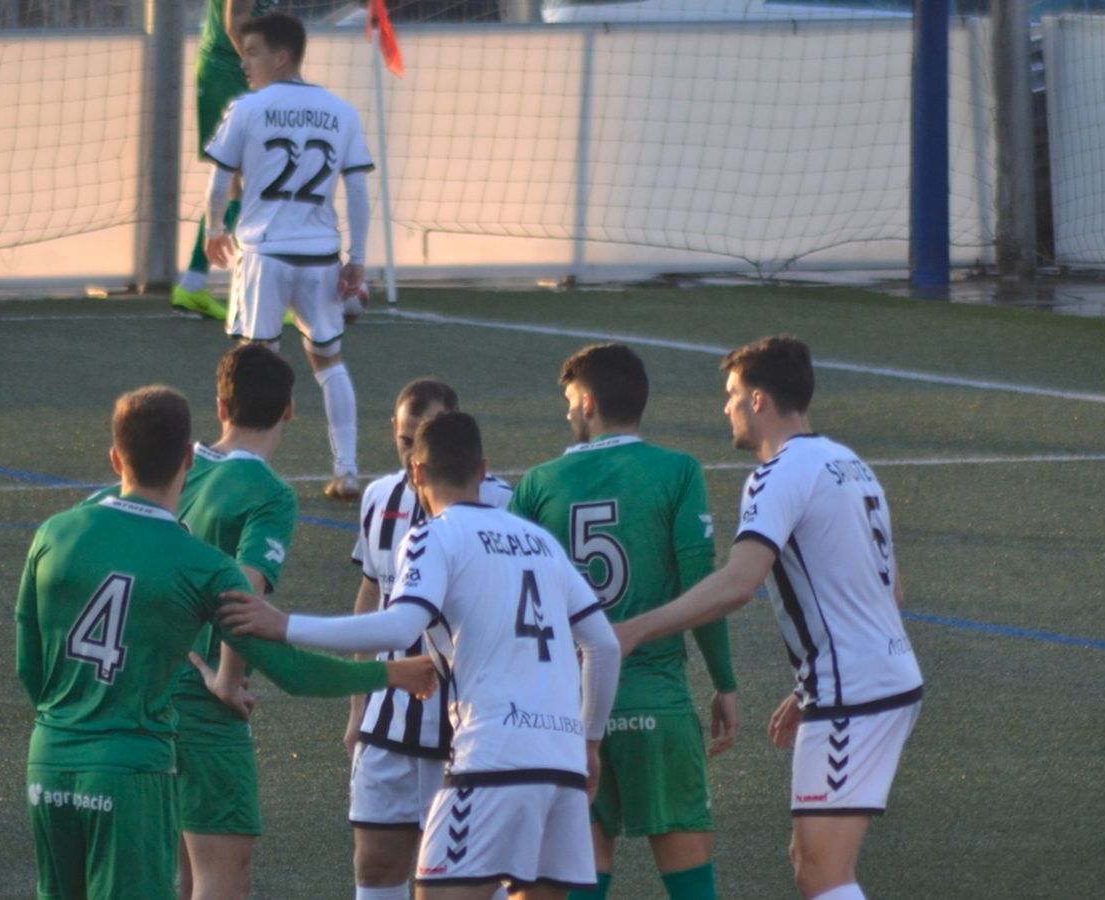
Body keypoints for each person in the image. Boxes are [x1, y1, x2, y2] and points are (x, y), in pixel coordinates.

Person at [17, 385, 435, 900]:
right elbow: (293, 672)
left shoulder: (53, 534)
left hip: (49, 759)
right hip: (130, 770)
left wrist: (64, 724)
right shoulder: (204, 567)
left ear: (114, 457)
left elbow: (29, 665)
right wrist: (389, 672)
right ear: (188, 462)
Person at [223, 411, 622, 900]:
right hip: (562, 762)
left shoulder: (435, 535)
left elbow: (400, 624)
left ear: (415, 472)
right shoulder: (540, 541)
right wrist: (590, 742)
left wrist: (285, 625)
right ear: (483, 469)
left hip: (493, 756)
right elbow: (603, 645)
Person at [613, 337, 924, 900]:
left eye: (731, 395)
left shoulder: (778, 474)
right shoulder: (849, 463)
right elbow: (891, 590)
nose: (725, 408)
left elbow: (738, 582)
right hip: (873, 680)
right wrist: (810, 685)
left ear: (759, 401)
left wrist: (635, 629)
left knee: (822, 873)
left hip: (855, 690)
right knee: (811, 862)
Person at [508, 343, 738, 900]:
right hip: (657, 699)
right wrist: (725, 682)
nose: (567, 414)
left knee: (581, 875)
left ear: (587, 403)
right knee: (693, 888)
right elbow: (700, 586)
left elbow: (516, 603)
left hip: (571, 712)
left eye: (568, 402)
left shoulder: (539, 483)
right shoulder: (678, 471)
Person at [345, 379, 514, 900]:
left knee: (474, 877)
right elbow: (371, 596)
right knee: (375, 863)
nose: (414, 455)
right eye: (403, 440)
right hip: (389, 717)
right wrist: (357, 709)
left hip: (468, 723)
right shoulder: (378, 498)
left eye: (424, 438)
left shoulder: (504, 502)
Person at [201, 12, 372, 502]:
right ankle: (349, 470)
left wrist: (215, 227)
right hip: (319, 255)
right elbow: (357, 189)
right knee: (329, 360)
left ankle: (245, 471)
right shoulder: (341, 111)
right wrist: (357, 258)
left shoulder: (248, 108)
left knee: (255, 363)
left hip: (263, 255)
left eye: (251, 53)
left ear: (281, 56)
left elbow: (219, 179)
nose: (244, 63)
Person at [172, 344, 299, 900]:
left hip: (146, 684)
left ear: (221, 406)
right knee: (224, 874)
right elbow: (245, 590)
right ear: (290, 410)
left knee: (175, 866)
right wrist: (227, 676)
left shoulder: (177, 465)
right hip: (201, 699)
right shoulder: (270, 493)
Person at [172, 0, 277, 321]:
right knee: (252, 177)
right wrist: (262, 71)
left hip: (234, 71)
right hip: (228, 73)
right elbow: (236, 22)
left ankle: (194, 284)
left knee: (244, 181)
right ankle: (258, 291)